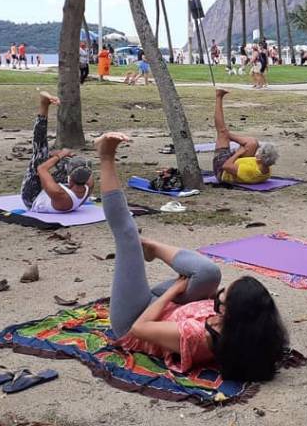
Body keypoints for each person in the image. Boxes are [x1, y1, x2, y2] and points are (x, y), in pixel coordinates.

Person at [94, 132, 288, 381]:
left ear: (230, 313)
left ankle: (106, 156)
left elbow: (139, 329)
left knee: (126, 233)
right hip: (170, 307)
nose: (216, 296)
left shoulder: (198, 335)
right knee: (210, 273)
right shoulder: (251, 328)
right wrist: (200, 295)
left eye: (220, 298)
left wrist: (174, 291)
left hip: (135, 317)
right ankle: (150, 247)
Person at [19, 92, 93, 213]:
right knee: (66, 162)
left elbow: (41, 169)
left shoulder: (59, 193)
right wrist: (62, 157)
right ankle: (53, 156)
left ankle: (44, 105)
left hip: (32, 198)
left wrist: (60, 155)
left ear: (70, 180)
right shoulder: (88, 185)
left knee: (39, 155)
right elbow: (85, 168)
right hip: (55, 193)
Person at [211, 89, 278, 184]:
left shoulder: (250, 171)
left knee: (222, 132)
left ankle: (219, 97)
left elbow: (226, 166)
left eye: (258, 153)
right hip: (237, 164)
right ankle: (224, 133)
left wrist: (238, 153)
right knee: (252, 143)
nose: (256, 153)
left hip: (222, 170)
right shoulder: (266, 168)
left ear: (259, 159)